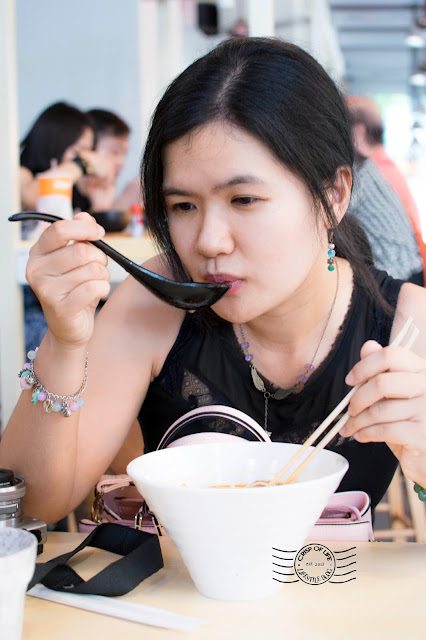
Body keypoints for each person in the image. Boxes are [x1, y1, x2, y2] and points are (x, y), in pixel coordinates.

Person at [1, 38, 425, 525]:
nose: (208, 242)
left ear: (332, 196)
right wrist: (65, 341)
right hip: (175, 598)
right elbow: (31, 506)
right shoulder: (154, 303)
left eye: (243, 199)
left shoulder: (408, 328)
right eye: (183, 206)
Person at [19, 102, 115, 354]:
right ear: (55, 140)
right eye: (79, 149)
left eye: (88, 151)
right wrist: (82, 164)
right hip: (32, 304)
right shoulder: (20, 174)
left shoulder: (71, 189)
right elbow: (33, 195)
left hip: (75, 292)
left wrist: (99, 201)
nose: (88, 157)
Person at [347, 95, 426, 286]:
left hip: (398, 276)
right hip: (409, 271)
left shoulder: (366, 169)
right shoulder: (381, 166)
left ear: (357, 132)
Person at [347, 155, 424, 284]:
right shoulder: (367, 165)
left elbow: (331, 216)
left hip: (397, 271)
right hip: (413, 265)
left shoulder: (356, 174)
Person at [73, 108, 141, 213]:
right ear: (88, 147)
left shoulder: (98, 192)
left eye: (124, 154)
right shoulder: (63, 191)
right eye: (115, 152)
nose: (121, 163)